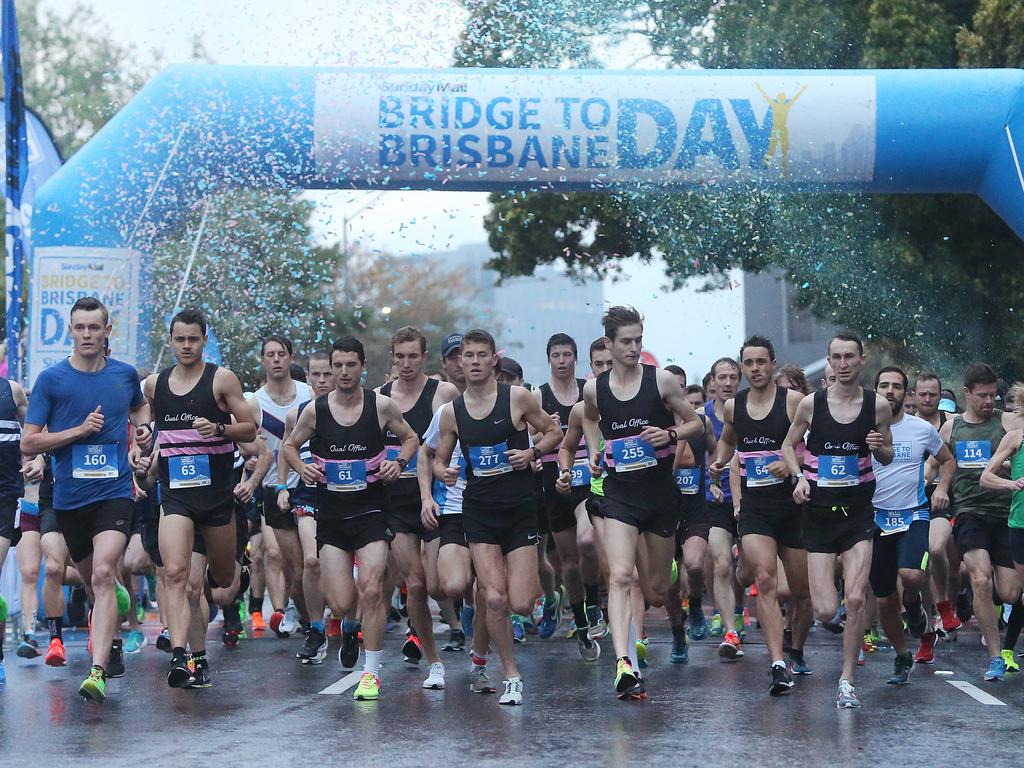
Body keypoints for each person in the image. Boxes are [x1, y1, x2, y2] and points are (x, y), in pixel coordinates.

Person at [22, 296, 154, 703]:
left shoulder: (124, 375)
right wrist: (77, 432)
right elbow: (30, 439)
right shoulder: (52, 380)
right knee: (98, 582)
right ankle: (112, 633)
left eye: (94, 328)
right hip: (69, 500)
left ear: (107, 330)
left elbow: (140, 408)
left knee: (101, 572)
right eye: (79, 328)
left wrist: (144, 432)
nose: (86, 335)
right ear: (70, 330)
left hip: (114, 493)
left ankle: (96, 671)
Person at [284, 336, 419, 702]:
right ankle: (347, 624)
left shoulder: (381, 405)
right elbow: (290, 446)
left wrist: (399, 462)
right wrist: (302, 469)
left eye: (350, 365)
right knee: (342, 601)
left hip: (372, 511)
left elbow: (410, 438)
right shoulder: (315, 410)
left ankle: (371, 671)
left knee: (372, 588)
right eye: (337, 365)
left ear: (362, 367)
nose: (343, 372)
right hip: (332, 514)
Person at [432, 329, 562, 705]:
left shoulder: (516, 398)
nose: (472, 361)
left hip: (520, 509)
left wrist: (533, 453)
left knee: (521, 602)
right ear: (460, 363)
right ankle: (511, 674)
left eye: (480, 355)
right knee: (493, 598)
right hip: (480, 511)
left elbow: (554, 431)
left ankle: (488, 652)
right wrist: (445, 472)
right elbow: (440, 459)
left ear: (493, 361)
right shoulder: (452, 412)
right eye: (467, 355)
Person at [580, 306, 701, 700]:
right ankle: (624, 664)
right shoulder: (595, 388)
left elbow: (697, 423)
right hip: (618, 495)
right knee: (619, 576)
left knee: (652, 589)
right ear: (610, 345)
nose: (634, 348)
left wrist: (669, 434)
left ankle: (672, 614)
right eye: (626, 341)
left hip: (660, 496)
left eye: (638, 341)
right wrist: (595, 451)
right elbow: (590, 419)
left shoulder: (661, 381)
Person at [140, 309, 257, 688]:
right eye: (180, 339)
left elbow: (249, 428)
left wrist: (219, 428)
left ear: (204, 339)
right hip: (176, 497)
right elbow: (144, 423)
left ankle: (240, 569)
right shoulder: (155, 385)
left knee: (222, 583)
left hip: (217, 499)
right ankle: (183, 657)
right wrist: (143, 440)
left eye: (193, 339)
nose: (186, 346)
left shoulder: (220, 380)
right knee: (177, 576)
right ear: (170, 341)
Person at [781, 331, 893, 709]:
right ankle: (845, 627)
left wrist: (882, 448)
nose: (843, 364)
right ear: (829, 362)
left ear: (861, 360)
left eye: (850, 357)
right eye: (836, 357)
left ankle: (846, 679)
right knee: (827, 609)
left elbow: (888, 454)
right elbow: (787, 445)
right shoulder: (812, 405)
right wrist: (798, 477)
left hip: (858, 512)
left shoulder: (877, 406)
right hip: (819, 515)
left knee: (857, 597)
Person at [711, 335, 813, 695]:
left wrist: (793, 465)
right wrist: (720, 461)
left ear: (772, 364)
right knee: (766, 581)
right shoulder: (733, 407)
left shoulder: (794, 402)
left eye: (760, 362)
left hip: (794, 508)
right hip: (756, 509)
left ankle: (795, 648)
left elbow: (819, 448)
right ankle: (777, 664)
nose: (754, 369)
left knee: (801, 591)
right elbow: (727, 439)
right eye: (748, 363)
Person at [376, 326, 458, 687]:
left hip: (437, 499)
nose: (406, 364)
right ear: (392, 357)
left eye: (413, 356)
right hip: (395, 502)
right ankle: (434, 662)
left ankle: (470, 630)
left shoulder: (443, 393)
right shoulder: (378, 398)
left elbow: (457, 438)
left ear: (424, 357)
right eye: (400, 356)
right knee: (417, 584)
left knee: (443, 586)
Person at [937, 363, 1023, 682]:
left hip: (1006, 515)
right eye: (983, 396)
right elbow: (938, 464)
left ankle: (984, 607)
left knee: (1011, 593)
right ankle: (996, 657)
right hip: (970, 513)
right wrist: (941, 488)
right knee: (980, 578)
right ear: (967, 393)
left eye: (993, 395)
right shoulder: (951, 428)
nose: (989, 401)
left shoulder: (1008, 421)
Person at [869, 367, 954, 685]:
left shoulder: (920, 429)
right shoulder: (863, 430)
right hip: (875, 519)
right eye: (884, 385)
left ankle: (916, 605)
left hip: (914, 515)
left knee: (912, 575)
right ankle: (903, 653)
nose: (890, 391)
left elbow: (947, 460)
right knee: (883, 599)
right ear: (874, 390)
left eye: (897, 386)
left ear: (907, 394)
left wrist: (942, 488)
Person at [535, 333, 600, 645]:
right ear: (548, 359)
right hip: (555, 482)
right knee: (569, 564)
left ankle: (595, 603)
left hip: (588, 480)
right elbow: (525, 441)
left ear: (576, 359)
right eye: (556, 355)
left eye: (566, 355)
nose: (561, 361)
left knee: (588, 543)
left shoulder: (589, 393)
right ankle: (579, 617)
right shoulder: (538, 396)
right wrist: (547, 432)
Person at [250, 336, 309, 637]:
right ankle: (300, 614)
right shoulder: (253, 401)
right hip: (275, 488)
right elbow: (240, 435)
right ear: (263, 360)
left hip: (310, 486)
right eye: (269, 355)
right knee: (289, 562)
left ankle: (316, 616)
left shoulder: (308, 393)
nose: (275, 359)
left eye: (281, 354)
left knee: (313, 561)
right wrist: (251, 456)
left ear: (290, 358)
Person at [280, 350, 335, 665]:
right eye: (316, 374)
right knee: (311, 562)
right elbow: (285, 450)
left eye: (327, 373)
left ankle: (351, 622)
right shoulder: (298, 413)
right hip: (308, 497)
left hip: (347, 497)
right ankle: (316, 629)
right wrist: (285, 483)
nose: (323, 380)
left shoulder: (358, 409)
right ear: (309, 378)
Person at [981, 381, 1024, 674]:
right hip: (1020, 525)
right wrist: (1013, 483)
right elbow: (986, 476)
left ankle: (1008, 648)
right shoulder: (1015, 437)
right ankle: (1006, 650)